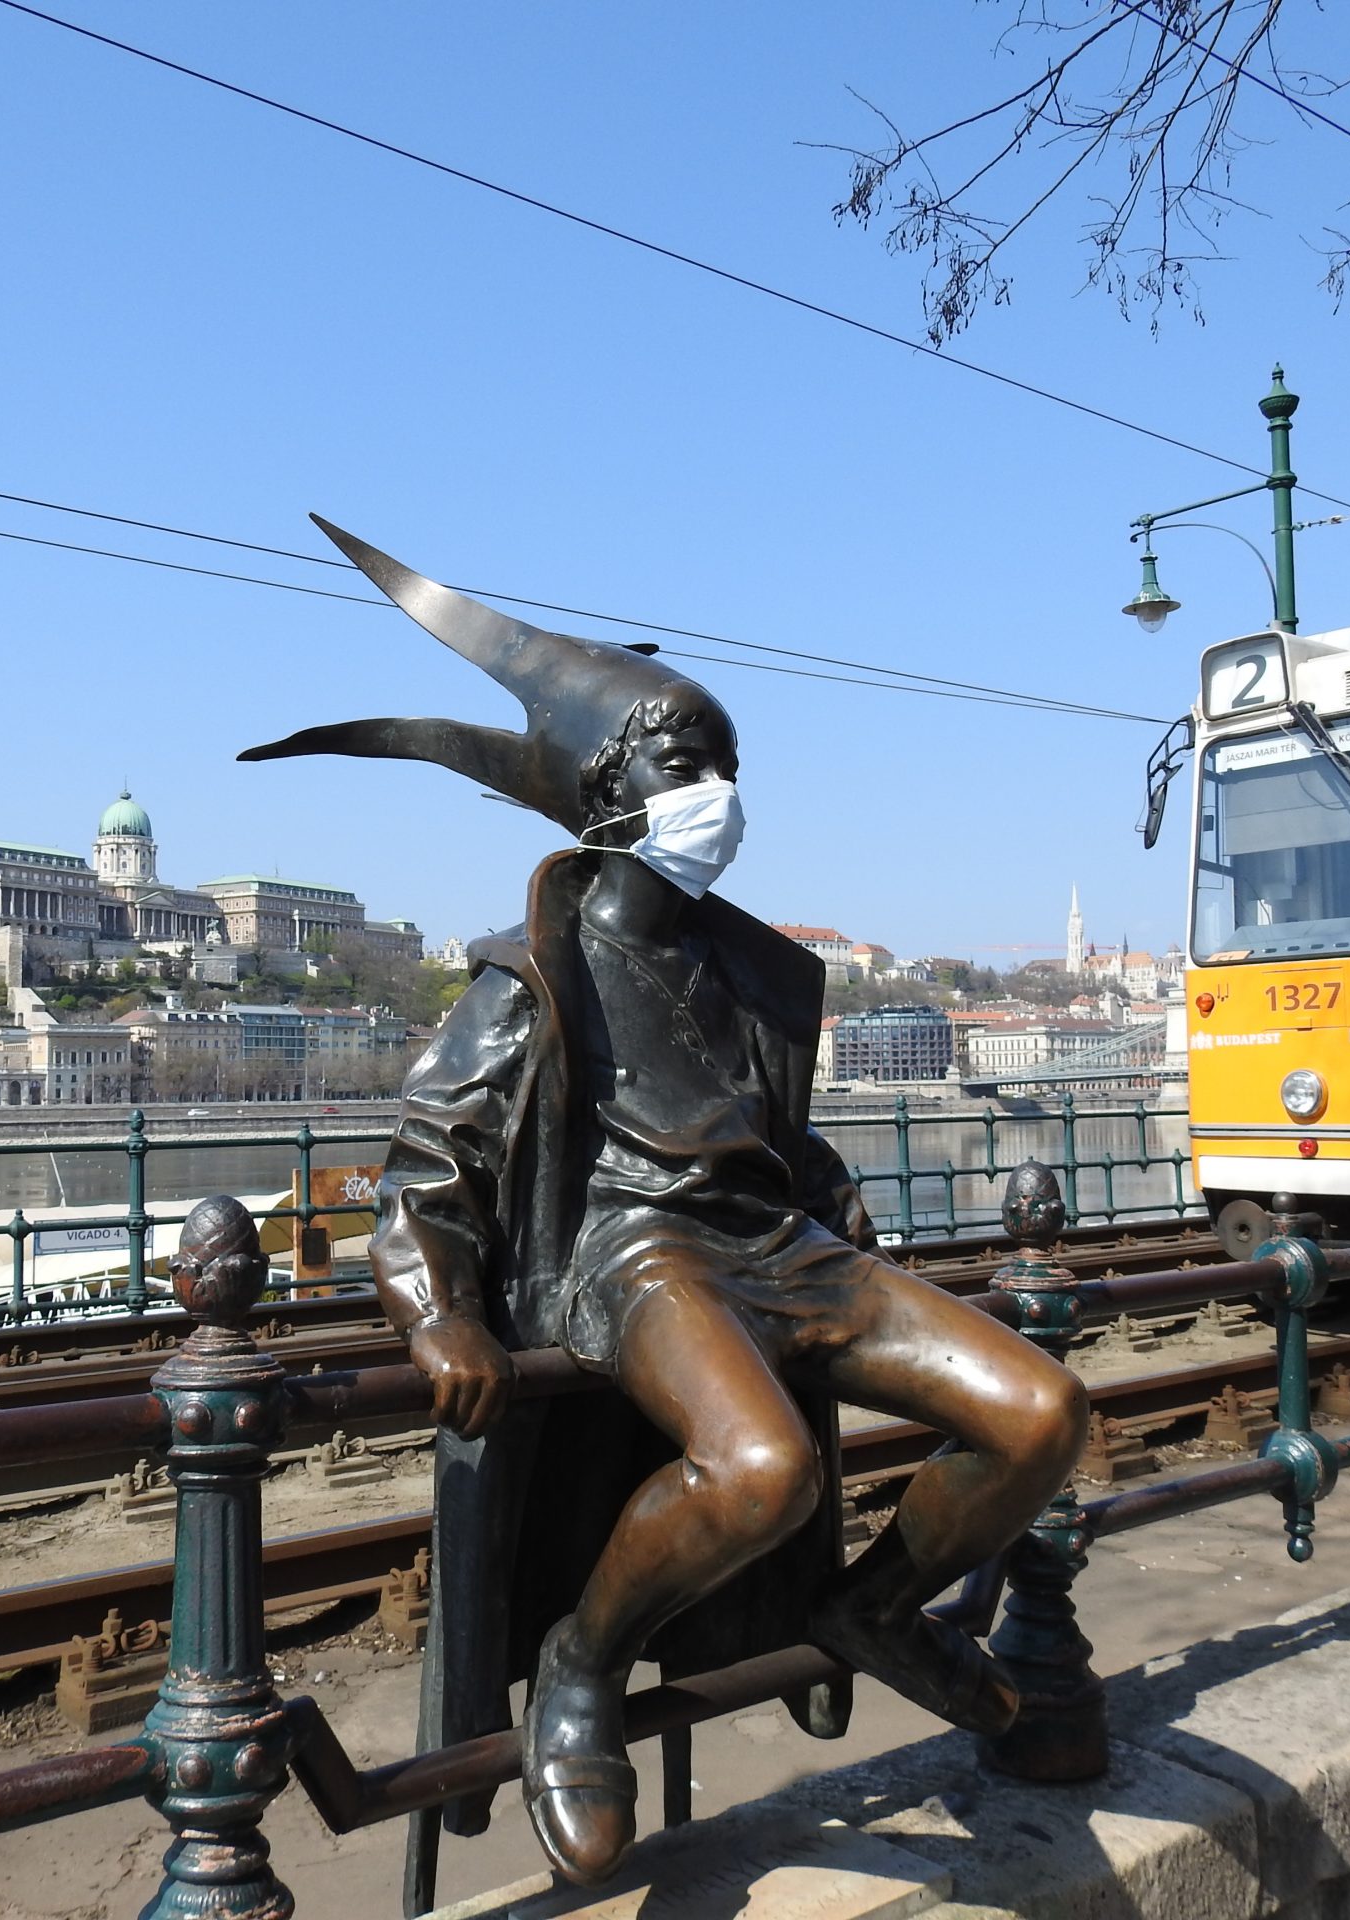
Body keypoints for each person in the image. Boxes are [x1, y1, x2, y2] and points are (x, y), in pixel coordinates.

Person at [240, 519, 1087, 1886]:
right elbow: (424, 1173)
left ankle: (875, 1607)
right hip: (640, 1258)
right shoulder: (534, 975)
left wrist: (837, 1207)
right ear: (608, 792)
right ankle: (583, 1664)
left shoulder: (755, 975)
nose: (723, 795)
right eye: (689, 766)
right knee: (763, 1471)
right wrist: (434, 1312)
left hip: (780, 1248)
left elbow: (776, 1144)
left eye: (730, 768)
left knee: (1043, 1411)